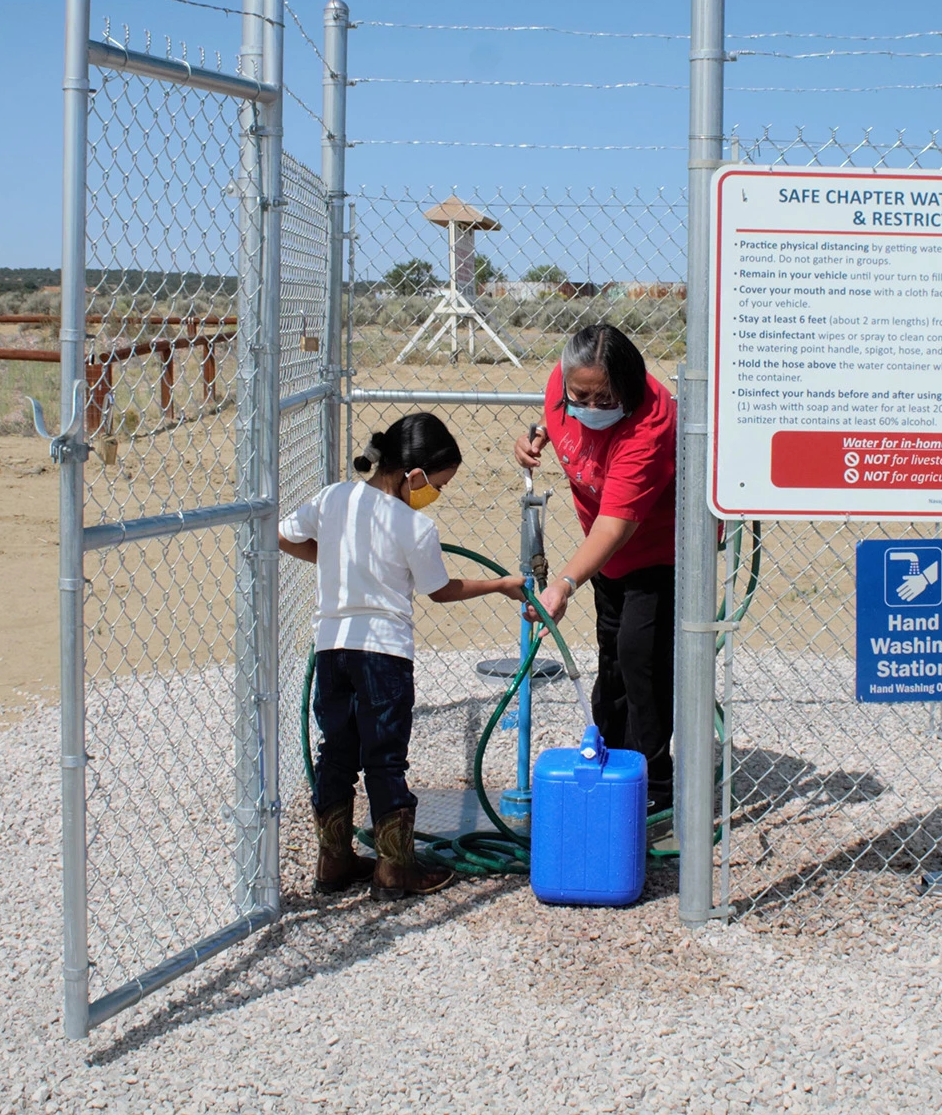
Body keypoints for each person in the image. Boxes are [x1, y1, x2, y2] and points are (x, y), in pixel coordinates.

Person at [279, 412, 525, 899]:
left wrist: (334, 558)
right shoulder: (415, 525)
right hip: (384, 655)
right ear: (414, 475)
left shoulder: (334, 497)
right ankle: (394, 871)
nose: (437, 493)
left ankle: (333, 863)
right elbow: (440, 589)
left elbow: (284, 535)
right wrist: (500, 585)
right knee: (385, 761)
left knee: (336, 752)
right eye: (439, 483)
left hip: (332, 648)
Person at [515, 322, 680, 809]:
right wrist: (536, 436)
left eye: (604, 398)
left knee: (639, 658)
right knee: (611, 651)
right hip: (603, 555)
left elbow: (616, 525)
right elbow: (553, 416)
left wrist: (564, 583)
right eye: (579, 395)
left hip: (657, 549)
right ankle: (610, 760)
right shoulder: (565, 384)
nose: (589, 407)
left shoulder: (650, 424)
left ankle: (656, 789)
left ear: (627, 386)